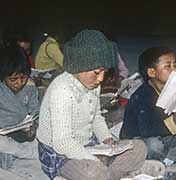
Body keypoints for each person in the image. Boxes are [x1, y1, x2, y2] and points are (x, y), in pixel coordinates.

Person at [37, 30, 165, 180]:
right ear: (80, 65)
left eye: (104, 72)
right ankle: (123, 172)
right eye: (97, 72)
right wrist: (96, 161)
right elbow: (63, 143)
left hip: (88, 145)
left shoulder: (92, 84)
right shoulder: (62, 90)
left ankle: (114, 173)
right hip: (60, 152)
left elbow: (96, 117)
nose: (101, 79)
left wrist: (107, 139)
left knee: (139, 147)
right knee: (94, 173)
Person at [120, 46, 176, 178]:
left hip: (164, 137)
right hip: (137, 139)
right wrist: (175, 120)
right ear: (152, 72)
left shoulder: (172, 91)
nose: (174, 70)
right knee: (154, 145)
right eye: (167, 66)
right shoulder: (143, 95)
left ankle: (170, 163)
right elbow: (146, 129)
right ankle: (153, 165)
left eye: (174, 65)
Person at [0, 47, 50, 179]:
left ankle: (26, 152)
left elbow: (36, 112)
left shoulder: (29, 87)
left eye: (23, 78)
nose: (19, 83)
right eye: (13, 79)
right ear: (3, 77)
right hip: (4, 137)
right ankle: (28, 153)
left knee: (45, 137)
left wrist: (33, 128)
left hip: (24, 136)